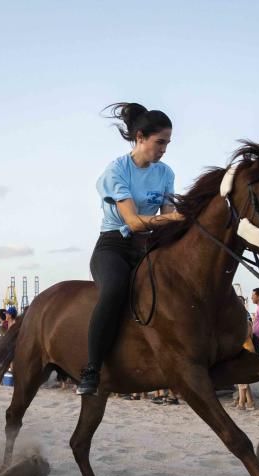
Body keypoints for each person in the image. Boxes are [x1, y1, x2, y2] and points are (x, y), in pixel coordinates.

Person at [77, 102, 184, 395]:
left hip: (148, 245)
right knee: (114, 290)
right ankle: (92, 368)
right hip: (114, 245)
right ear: (140, 137)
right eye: (159, 142)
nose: (164, 149)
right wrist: (172, 218)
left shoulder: (166, 172)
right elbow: (134, 222)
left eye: (168, 143)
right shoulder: (116, 170)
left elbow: (168, 215)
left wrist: (177, 224)